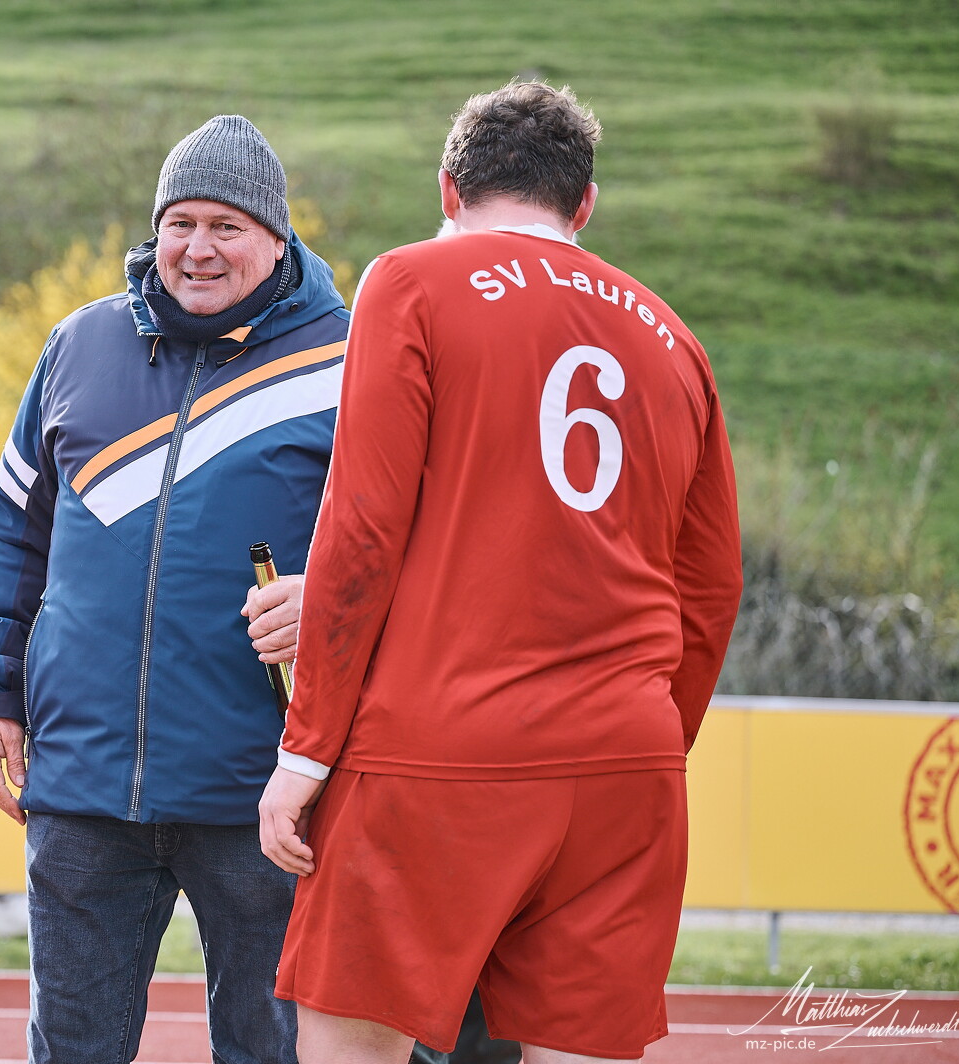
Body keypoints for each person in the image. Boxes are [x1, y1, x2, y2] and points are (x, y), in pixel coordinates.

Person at [259, 81, 743, 1063]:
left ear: (449, 188)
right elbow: (711, 585)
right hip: (625, 755)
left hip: (441, 744)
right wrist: (650, 742)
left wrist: (305, 754)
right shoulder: (674, 337)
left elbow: (362, 531)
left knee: (350, 1041)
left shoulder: (411, 280)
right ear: (584, 203)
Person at [0, 114, 349, 1064]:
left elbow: (409, 547)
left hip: (263, 792)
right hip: (83, 788)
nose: (198, 248)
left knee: (271, 1053)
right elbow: (13, 536)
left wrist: (330, 597)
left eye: (227, 226)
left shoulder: (353, 357)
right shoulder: (77, 344)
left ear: (277, 236)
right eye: (180, 223)